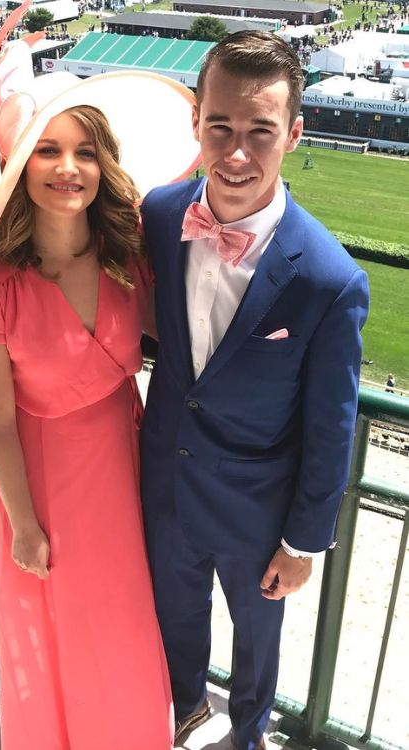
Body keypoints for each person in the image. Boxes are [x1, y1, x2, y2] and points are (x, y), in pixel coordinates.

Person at [0, 17, 198, 748]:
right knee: (63, 626)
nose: (68, 167)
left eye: (84, 151)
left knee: (126, 620)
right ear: (20, 166)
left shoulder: (128, 260)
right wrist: (24, 526)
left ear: (104, 163)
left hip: (128, 472)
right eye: (47, 150)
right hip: (44, 487)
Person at [140, 30, 370, 750]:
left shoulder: (331, 280)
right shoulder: (160, 213)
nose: (237, 153)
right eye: (221, 127)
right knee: (172, 621)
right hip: (164, 486)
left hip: (259, 512)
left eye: (261, 132)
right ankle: (181, 715)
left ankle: (246, 738)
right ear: (196, 125)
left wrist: (304, 541)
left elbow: (333, 427)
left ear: (295, 134)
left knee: (255, 648)